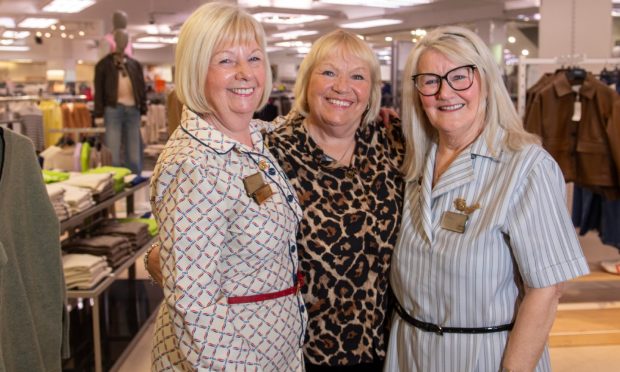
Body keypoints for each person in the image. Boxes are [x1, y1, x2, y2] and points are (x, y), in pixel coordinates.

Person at [147, 29, 405, 370]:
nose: (342, 86)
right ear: (305, 82)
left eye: (358, 76)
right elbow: (193, 237)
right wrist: (160, 260)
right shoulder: (273, 149)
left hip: (378, 347)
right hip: (297, 350)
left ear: (373, 89)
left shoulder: (390, 143)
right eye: (328, 72)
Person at [386, 25, 590, 372]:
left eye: (460, 76)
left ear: (486, 81)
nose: (445, 91)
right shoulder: (415, 164)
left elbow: (547, 290)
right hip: (408, 350)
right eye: (430, 80)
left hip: (487, 356)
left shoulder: (526, 167)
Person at [149, 2, 306, 370]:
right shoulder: (195, 166)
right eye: (225, 61)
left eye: (253, 58)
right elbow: (195, 310)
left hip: (275, 354)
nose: (245, 73)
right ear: (195, 70)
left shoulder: (253, 139)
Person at [94, 27, 146, 175]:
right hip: (112, 109)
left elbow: (141, 89)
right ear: (115, 40)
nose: (122, 42)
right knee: (113, 152)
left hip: (133, 110)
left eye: (125, 39)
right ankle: (115, 182)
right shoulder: (103, 65)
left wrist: (144, 111)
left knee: (134, 153)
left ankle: (134, 183)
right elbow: (99, 90)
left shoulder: (134, 65)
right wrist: (98, 114)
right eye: (120, 39)